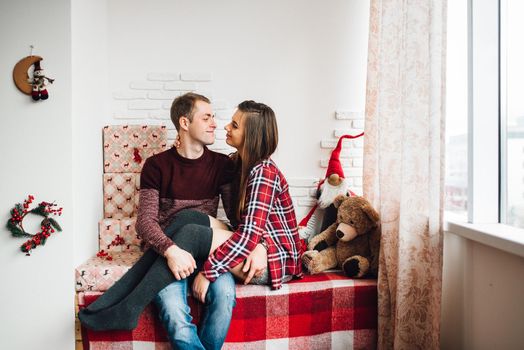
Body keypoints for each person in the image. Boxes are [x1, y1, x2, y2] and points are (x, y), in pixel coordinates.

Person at [78, 93, 267, 350]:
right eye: (207, 117)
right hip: (167, 253)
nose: (215, 123)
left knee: (224, 296)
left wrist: (258, 244)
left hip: (207, 248)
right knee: (175, 313)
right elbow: (145, 223)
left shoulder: (223, 164)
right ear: (185, 123)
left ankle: (126, 305)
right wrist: (171, 250)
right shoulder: (156, 166)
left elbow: (240, 218)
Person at [170, 100, 304, 302]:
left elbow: (249, 235)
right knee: (188, 218)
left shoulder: (264, 173)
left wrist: (208, 272)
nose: (225, 126)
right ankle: (152, 265)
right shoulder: (238, 163)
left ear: (251, 135)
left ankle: (139, 297)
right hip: (257, 243)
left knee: (194, 234)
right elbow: (247, 229)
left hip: (275, 261)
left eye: (234, 125)